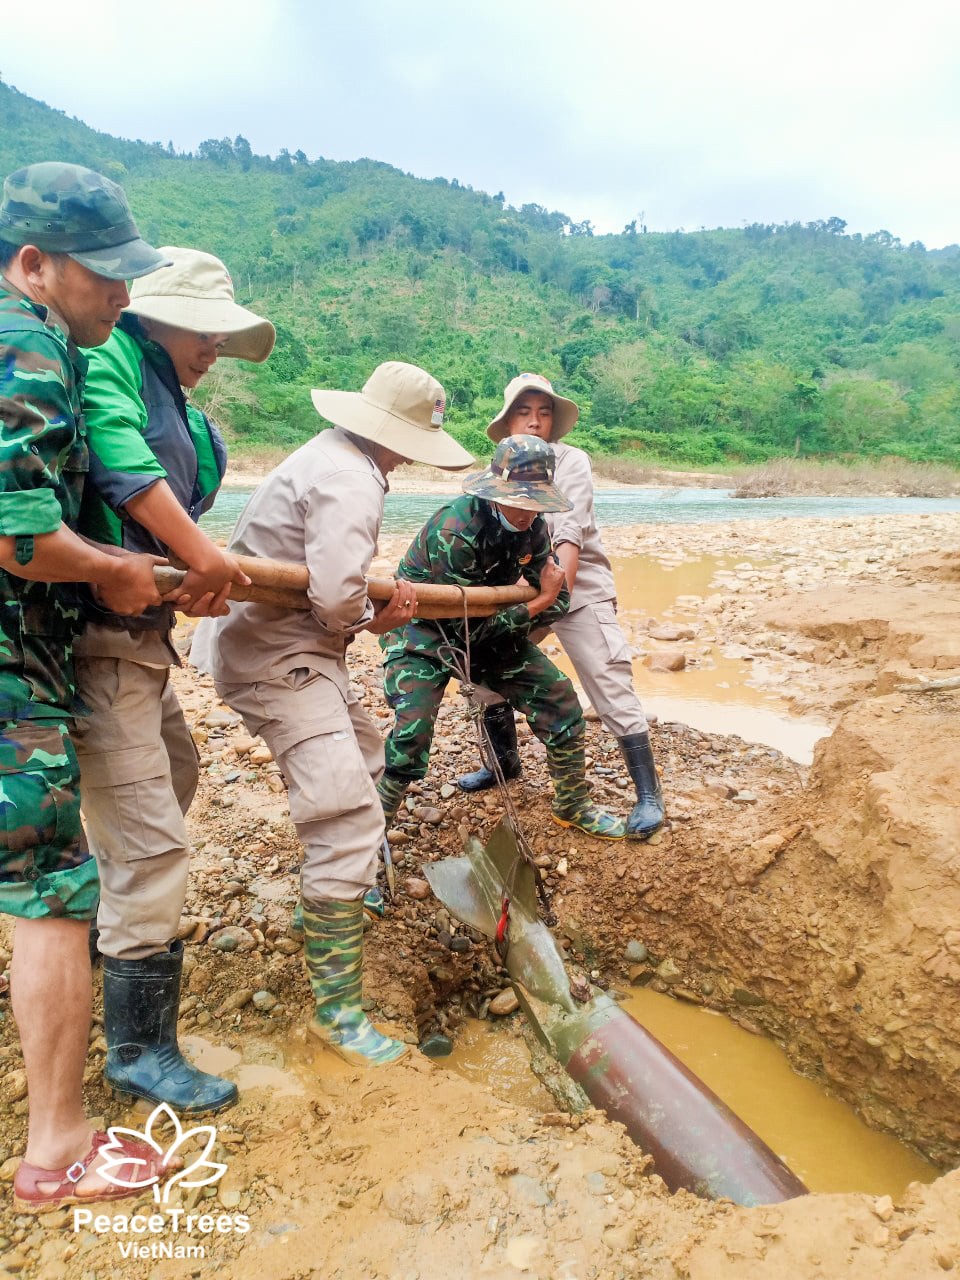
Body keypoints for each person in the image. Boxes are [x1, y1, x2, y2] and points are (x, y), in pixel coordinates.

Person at [192, 361, 473, 1066]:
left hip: (290, 649)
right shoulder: (349, 480)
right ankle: (338, 1016)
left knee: (370, 754)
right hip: (277, 660)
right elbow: (340, 600)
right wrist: (378, 619)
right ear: (396, 436)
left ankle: (328, 900)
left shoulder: (331, 455)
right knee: (347, 816)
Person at [0, 161, 172, 1210]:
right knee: (55, 889)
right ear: (34, 265)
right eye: (101, 274)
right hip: (10, 677)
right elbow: (21, 537)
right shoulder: (30, 343)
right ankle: (57, 1144)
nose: (119, 293)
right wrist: (112, 569)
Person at [73, 247, 275, 1114]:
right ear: (150, 314)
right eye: (201, 331)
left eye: (220, 337)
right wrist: (203, 560)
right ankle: (140, 1049)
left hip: (142, 637)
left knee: (178, 775)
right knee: (154, 840)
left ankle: (106, 917)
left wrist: (191, 574)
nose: (212, 349)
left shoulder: (179, 400)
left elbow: (173, 526)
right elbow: (116, 455)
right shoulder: (108, 354)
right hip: (94, 640)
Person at [379, 434, 628, 841]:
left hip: (486, 626)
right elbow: (471, 632)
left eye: (537, 503)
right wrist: (538, 600)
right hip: (421, 632)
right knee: (413, 735)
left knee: (561, 701)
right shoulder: (456, 531)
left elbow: (558, 601)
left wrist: (543, 598)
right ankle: (364, 845)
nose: (529, 514)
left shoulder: (534, 529)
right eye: (520, 501)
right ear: (497, 492)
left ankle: (572, 804)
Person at [457, 374, 665, 838]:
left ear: (554, 421)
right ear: (507, 420)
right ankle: (503, 765)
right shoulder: (501, 464)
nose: (534, 421)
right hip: (518, 588)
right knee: (487, 669)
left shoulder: (572, 461)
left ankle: (649, 796)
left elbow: (568, 532)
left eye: (544, 412)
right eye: (523, 412)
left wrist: (552, 600)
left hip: (577, 585)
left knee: (606, 675)